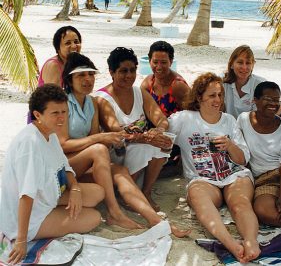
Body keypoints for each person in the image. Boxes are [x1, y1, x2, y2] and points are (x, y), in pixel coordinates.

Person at [60, 52, 189, 238]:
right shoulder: (63, 103)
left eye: (90, 74)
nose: (88, 79)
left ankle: (157, 221)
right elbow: (62, 145)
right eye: (81, 75)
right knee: (99, 149)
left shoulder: (91, 103)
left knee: (120, 171)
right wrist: (99, 140)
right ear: (69, 79)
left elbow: (95, 135)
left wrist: (155, 133)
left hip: (87, 163)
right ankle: (114, 211)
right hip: (64, 165)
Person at [0, 84, 104, 265]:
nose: (62, 118)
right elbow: (26, 195)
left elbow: (65, 167)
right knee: (93, 217)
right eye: (55, 113)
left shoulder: (50, 134)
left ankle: (61, 210)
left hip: (47, 197)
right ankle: (38, 226)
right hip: (28, 215)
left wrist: (76, 189)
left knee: (97, 192)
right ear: (37, 115)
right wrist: (22, 240)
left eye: (64, 111)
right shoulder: (30, 144)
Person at [168, 73, 260, 263]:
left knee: (239, 204)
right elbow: (164, 134)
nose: (217, 100)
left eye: (219, 95)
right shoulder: (184, 119)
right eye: (211, 95)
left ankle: (251, 241)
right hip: (203, 179)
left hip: (234, 174)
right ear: (199, 96)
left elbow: (242, 160)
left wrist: (230, 145)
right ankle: (230, 243)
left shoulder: (229, 121)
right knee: (199, 200)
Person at [97, 47, 173, 212]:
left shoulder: (139, 93)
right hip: (117, 152)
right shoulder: (103, 99)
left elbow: (160, 118)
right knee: (145, 147)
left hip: (139, 146)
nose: (129, 75)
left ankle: (145, 192)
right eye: (123, 71)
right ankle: (125, 194)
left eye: (132, 70)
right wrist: (148, 138)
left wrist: (159, 130)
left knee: (164, 142)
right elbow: (118, 132)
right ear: (111, 72)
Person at [237, 81, 281, 228]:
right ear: (255, 100)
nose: (273, 103)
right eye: (268, 99)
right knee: (263, 211)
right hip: (264, 179)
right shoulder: (243, 120)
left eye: (277, 100)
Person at [141, 41, 191, 175]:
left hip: (174, 139)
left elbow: (193, 115)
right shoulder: (148, 82)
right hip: (154, 133)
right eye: (155, 62)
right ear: (149, 60)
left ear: (171, 61)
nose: (158, 66)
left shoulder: (178, 86)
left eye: (163, 62)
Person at [223, 45, 265, 119]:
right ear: (231, 65)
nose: (244, 67)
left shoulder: (261, 84)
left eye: (248, 63)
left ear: (253, 65)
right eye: (240, 62)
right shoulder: (221, 83)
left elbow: (260, 115)